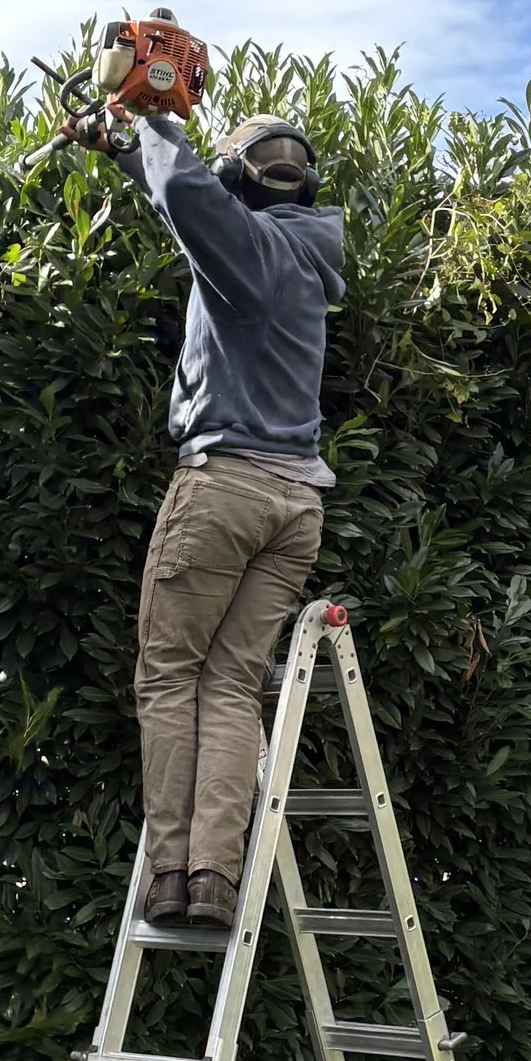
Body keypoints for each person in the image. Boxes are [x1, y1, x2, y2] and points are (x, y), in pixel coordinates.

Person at [118, 92, 346, 927]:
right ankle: (214, 876)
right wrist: (123, 147)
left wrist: (150, 115)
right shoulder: (307, 254)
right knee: (230, 682)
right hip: (296, 505)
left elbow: (189, 195)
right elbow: (189, 204)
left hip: (224, 491)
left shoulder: (248, 248)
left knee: (168, 672)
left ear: (233, 180)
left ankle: (168, 874)